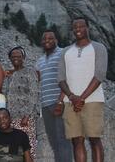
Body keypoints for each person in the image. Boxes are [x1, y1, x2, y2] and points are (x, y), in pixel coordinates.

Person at [58, 17, 108, 162]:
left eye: (81, 26)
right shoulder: (66, 51)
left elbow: (99, 75)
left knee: (94, 139)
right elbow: (61, 78)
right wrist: (72, 97)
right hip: (70, 102)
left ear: (88, 28)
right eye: (75, 27)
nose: (78, 29)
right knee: (76, 140)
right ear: (72, 30)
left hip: (92, 100)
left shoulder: (99, 47)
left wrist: (81, 98)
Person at [35, 30, 73, 162]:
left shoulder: (63, 53)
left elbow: (69, 78)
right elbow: (36, 80)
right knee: (54, 143)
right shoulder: (39, 60)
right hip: (45, 106)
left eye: (50, 38)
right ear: (41, 42)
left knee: (63, 140)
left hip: (60, 103)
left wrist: (61, 101)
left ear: (56, 40)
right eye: (44, 38)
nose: (47, 40)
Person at [4, 46, 39, 160]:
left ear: (23, 57)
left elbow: (34, 94)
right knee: (15, 152)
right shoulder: (10, 75)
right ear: (10, 58)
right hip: (12, 119)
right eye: (13, 56)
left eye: (19, 56)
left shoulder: (30, 72)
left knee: (28, 149)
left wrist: (27, 116)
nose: (16, 58)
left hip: (25, 119)